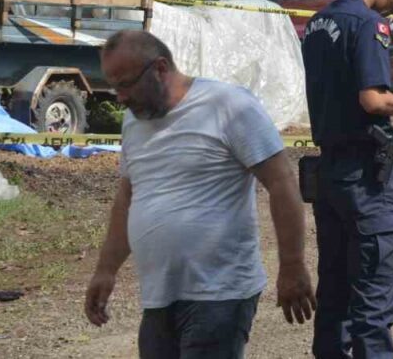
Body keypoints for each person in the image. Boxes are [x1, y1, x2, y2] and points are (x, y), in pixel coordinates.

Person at [85, 31, 315, 358]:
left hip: (220, 293)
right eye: (114, 86)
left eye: (126, 84)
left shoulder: (229, 105)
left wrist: (292, 265)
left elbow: (281, 183)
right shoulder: (134, 122)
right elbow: (128, 197)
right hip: (159, 296)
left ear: (160, 68)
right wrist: (105, 270)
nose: (120, 97)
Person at [302, 0, 393, 359]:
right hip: (367, 178)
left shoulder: (319, 23)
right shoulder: (369, 25)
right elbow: (373, 101)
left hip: (329, 175)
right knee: (373, 305)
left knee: (334, 296)